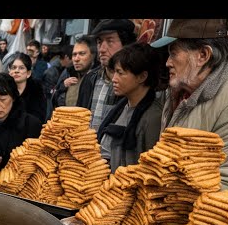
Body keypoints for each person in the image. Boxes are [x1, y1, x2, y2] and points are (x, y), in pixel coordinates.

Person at [151, 18, 228, 196]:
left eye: (173, 54)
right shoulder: (178, 92)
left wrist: (170, 204)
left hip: (200, 218)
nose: (167, 62)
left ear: (203, 55)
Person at [96, 42, 163, 172]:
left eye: (120, 73)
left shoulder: (153, 117)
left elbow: (151, 168)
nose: (114, 79)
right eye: (114, 72)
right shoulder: (120, 109)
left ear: (142, 76)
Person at [0, 73, 42, 183]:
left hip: (18, 185)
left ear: (13, 98)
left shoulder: (31, 124)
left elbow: (34, 163)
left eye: (2, 99)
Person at [77, 19, 136, 131]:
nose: (102, 49)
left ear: (126, 44)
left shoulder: (134, 82)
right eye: (99, 42)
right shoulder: (90, 79)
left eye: (110, 41)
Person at [52, 35, 97, 108]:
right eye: (74, 54)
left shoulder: (98, 78)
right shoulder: (68, 73)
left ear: (93, 55)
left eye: (82, 54)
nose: (76, 59)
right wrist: (62, 87)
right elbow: (55, 101)